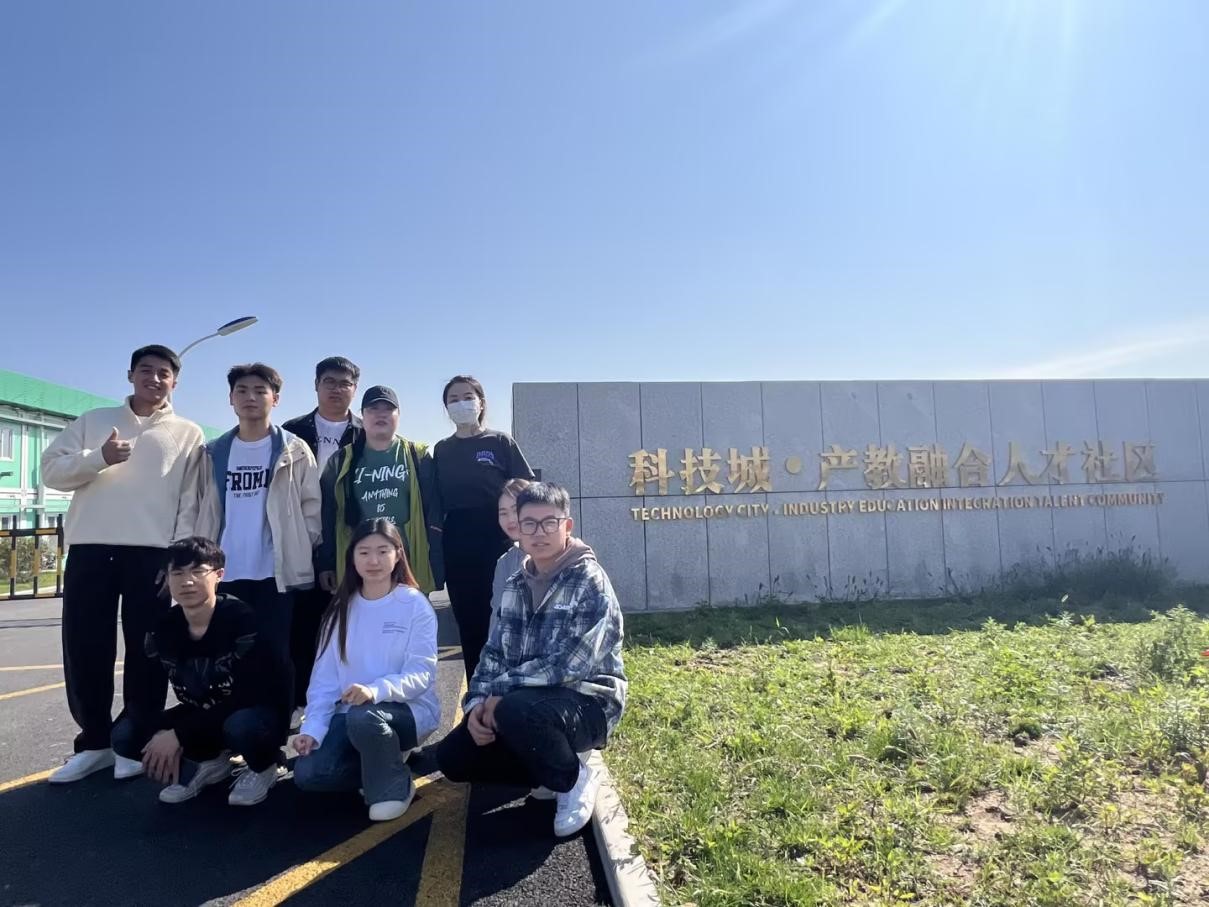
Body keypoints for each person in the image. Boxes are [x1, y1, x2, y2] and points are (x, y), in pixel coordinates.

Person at [42, 344, 206, 784]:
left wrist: (180, 554)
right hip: (90, 548)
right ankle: (94, 743)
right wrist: (99, 457)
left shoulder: (188, 433)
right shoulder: (94, 421)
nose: (155, 379)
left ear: (175, 382)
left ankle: (134, 741)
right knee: (85, 647)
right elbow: (51, 471)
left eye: (164, 373)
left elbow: (190, 498)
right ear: (130, 375)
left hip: (152, 553)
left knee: (148, 651)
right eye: (146, 370)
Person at [435, 483, 626, 838]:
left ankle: (574, 778)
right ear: (518, 530)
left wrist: (501, 696)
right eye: (529, 524)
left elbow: (571, 663)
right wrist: (477, 704)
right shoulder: (515, 583)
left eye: (549, 523)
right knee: (454, 757)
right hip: (526, 704)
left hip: (588, 704)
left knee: (515, 710)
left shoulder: (589, 580)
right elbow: (493, 654)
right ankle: (547, 770)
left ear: (567, 526)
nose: (539, 533)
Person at [111, 537, 291, 806]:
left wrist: (179, 734)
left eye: (198, 571)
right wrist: (157, 732)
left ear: (219, 575)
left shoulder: (244, 621)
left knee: (241, 727)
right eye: (177, 573)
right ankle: (206, 763)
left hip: (252, 714)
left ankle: (265, 766)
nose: (187, 581)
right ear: (167, 578)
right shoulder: (163, 628)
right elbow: (142, 691)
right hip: (203, 712)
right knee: (125, 735)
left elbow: (249, 696)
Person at [294, 519, 439, 822]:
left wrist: (375, 690)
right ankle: (386, 762)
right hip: (350, 716)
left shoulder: (414, 604)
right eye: (364, 552)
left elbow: (421, 674)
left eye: (383, 551)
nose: (373, 561)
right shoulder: (340, 609)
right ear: (352, 558)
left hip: (406, 712)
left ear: (398, 555)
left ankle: (394, 787)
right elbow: (324, 679)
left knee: (365, 716)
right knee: (308, 774)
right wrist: (312, 729)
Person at [187, 363, 321, 675]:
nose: (250, 397)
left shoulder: (295, 450)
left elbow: (312, 507)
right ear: (231, 398)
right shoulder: (212, 452)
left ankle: (275, 707)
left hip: (276, 573)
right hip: (223, 572)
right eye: (242, 390)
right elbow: (196, 506)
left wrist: (301, 545)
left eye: (260, 391)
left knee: (275, 654)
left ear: (275, 399)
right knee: (228, 655)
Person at [433, 375, 534, 682]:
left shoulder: (500, 442)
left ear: (481, 403)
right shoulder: (442, 450)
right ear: (446, 408)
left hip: (499, 538)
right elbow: (435, 502)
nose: (461, 403)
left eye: (467, 397)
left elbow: (526, 489)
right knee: (469, 621)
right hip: (458, 543)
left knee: (506, 615)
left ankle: (509, 689)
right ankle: (477, 692)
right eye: (453, 399)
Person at [283, 356, 364, 715]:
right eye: (329, 381)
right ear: (316, 386)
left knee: (348, 626)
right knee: (301, 625)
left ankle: (345, 702)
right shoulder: (291, 431)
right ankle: (299, 702)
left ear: (354, 390)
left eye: (345, 383)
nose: (336, 389)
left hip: (349, 541)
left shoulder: (364, 433)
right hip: (299, 538)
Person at [318, 385, 443, 596]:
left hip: (408, 561)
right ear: (362, 415)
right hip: (360, 564)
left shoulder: (417, 456)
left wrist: (437, 562)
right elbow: (328, 513)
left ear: (398, 415)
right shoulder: (341, 460)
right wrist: (326, 562)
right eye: (373, 409)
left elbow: (434, 514)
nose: (380, 414)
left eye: (388, 409)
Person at [490, 478, 531, 624]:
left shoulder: (559, 557)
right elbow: (497, 617)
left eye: (516, 510)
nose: (510, 519)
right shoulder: (504, 563)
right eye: (503, 513)